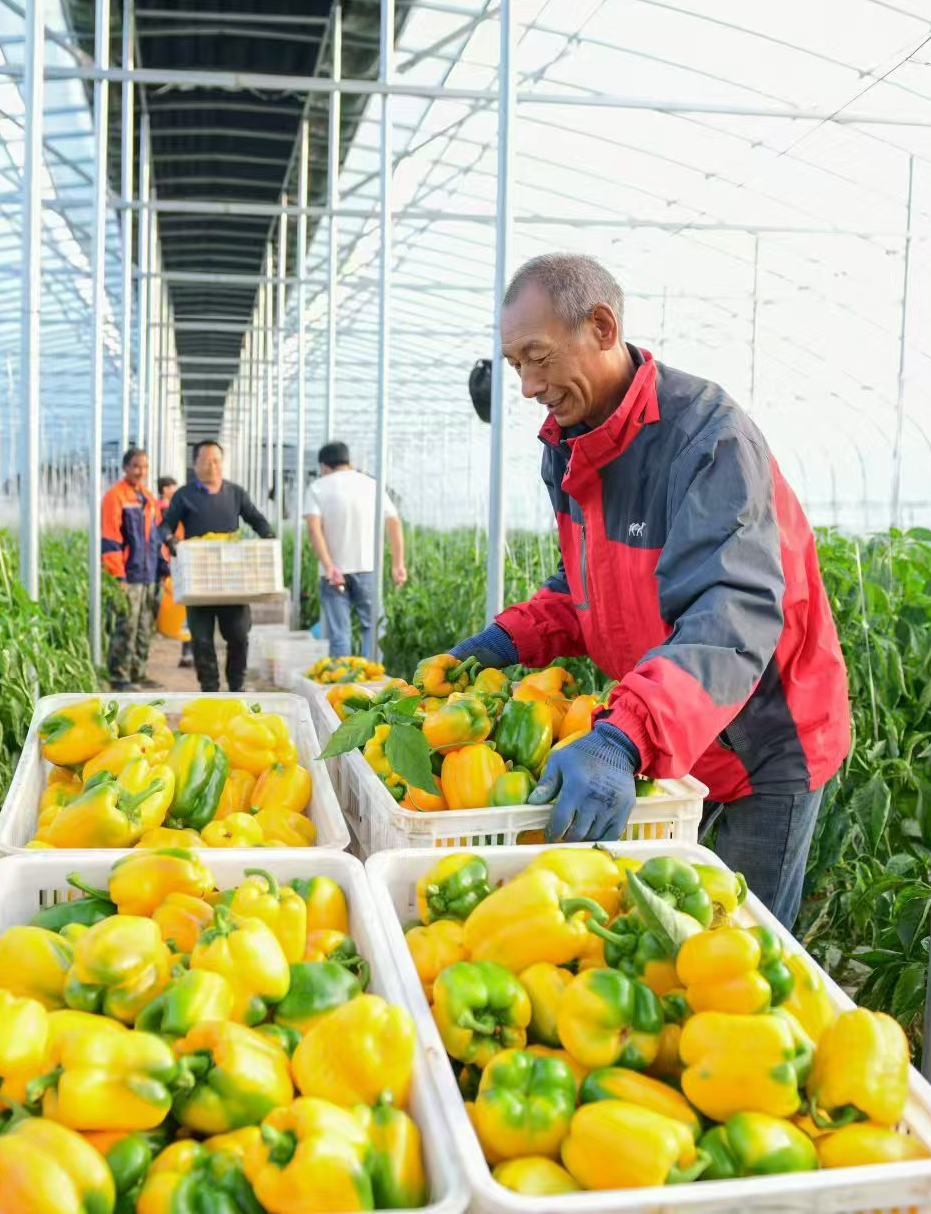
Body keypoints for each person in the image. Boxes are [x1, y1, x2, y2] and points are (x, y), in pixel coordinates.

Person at [432, 254, 850, 929]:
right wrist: (508, 638)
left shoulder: (706, 440)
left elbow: (730, 618)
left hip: (761, 739)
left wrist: (625, 737)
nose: (529, 387)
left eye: (537, 359)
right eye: (515, 367)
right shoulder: (572, 443)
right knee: (656, 930)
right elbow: (587, 583)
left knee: (740, 940)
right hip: (669, 732)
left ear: (602, 326)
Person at [158, 441, 275, 692]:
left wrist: (268, 537)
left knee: (239, 635)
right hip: (198, 579)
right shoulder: (184, 496)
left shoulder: (235, 493)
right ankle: (210, 689)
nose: (212, 466)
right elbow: (164, 525)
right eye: (206, 461)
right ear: (195, 464)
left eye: (217, 461)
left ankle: (237, 686)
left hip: (232, 578)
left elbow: (256, 519)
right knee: (201, 639)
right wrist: (170, 540)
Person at [302, 441, 407, 659]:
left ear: (324, 466)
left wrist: (330, 566)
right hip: (368, 568)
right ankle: (372, 683)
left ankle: (343, 685)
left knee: (339, 635)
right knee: (374, 629)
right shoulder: (371, 485)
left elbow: (313, 529)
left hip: (333, 574)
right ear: (349, 462)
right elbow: (394, 522)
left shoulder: (318, 487)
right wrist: (398, 563)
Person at [100, 448, 164, 691]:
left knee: (144, 624)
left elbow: (154, 537)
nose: (141, 471)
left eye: (145, 467)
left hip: (148, 573)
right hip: (128, 574)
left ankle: (138, 672)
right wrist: (118, 575)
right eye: (136, 466)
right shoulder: (115, 497)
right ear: (125, 467)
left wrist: (161, 568)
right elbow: (110, 540)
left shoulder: (147, 497)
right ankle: (119, 676)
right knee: (126, 624)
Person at [155, 476, 194, 670]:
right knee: (182, 609)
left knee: (184, 609)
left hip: (175, 559)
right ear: (164, 489)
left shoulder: (173, 508)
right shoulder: (161, 508)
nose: (175, 489)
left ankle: (187, 652)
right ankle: (186, 651)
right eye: (171, 486)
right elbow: (161, 538)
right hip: (170, 562)